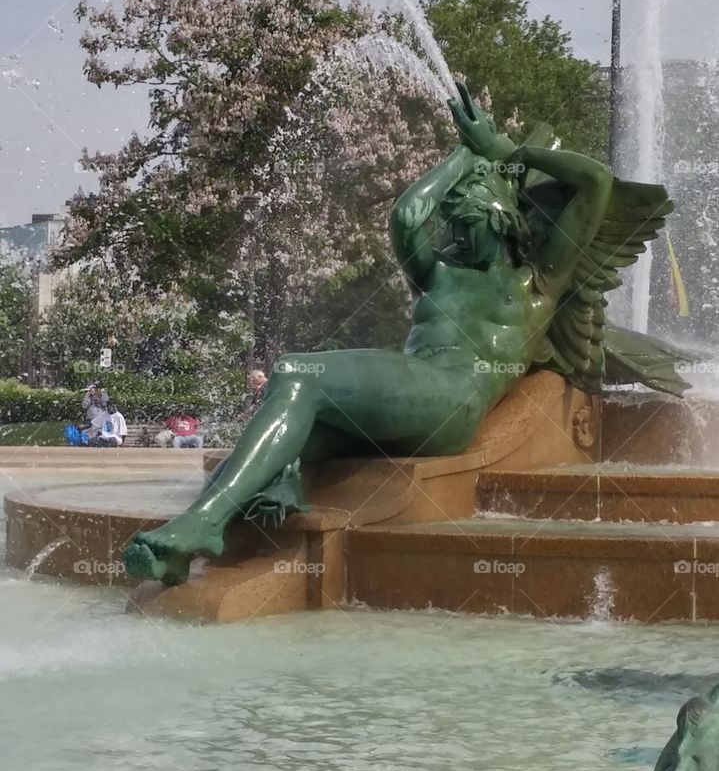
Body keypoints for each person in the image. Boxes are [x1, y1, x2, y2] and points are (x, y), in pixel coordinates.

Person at [124, 82, 680, 586]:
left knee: (297, 370)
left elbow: (596, 182)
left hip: (453, 401)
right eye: (452, 225)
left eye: (467, 224)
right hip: (415, 391)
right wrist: (465, 153)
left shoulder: (537, 282)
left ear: (501, 218)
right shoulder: (437, 272)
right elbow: (408, 216)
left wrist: (506, 152)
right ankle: (201, 535)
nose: (455, 235)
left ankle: (202, 523)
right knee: (282, 435)